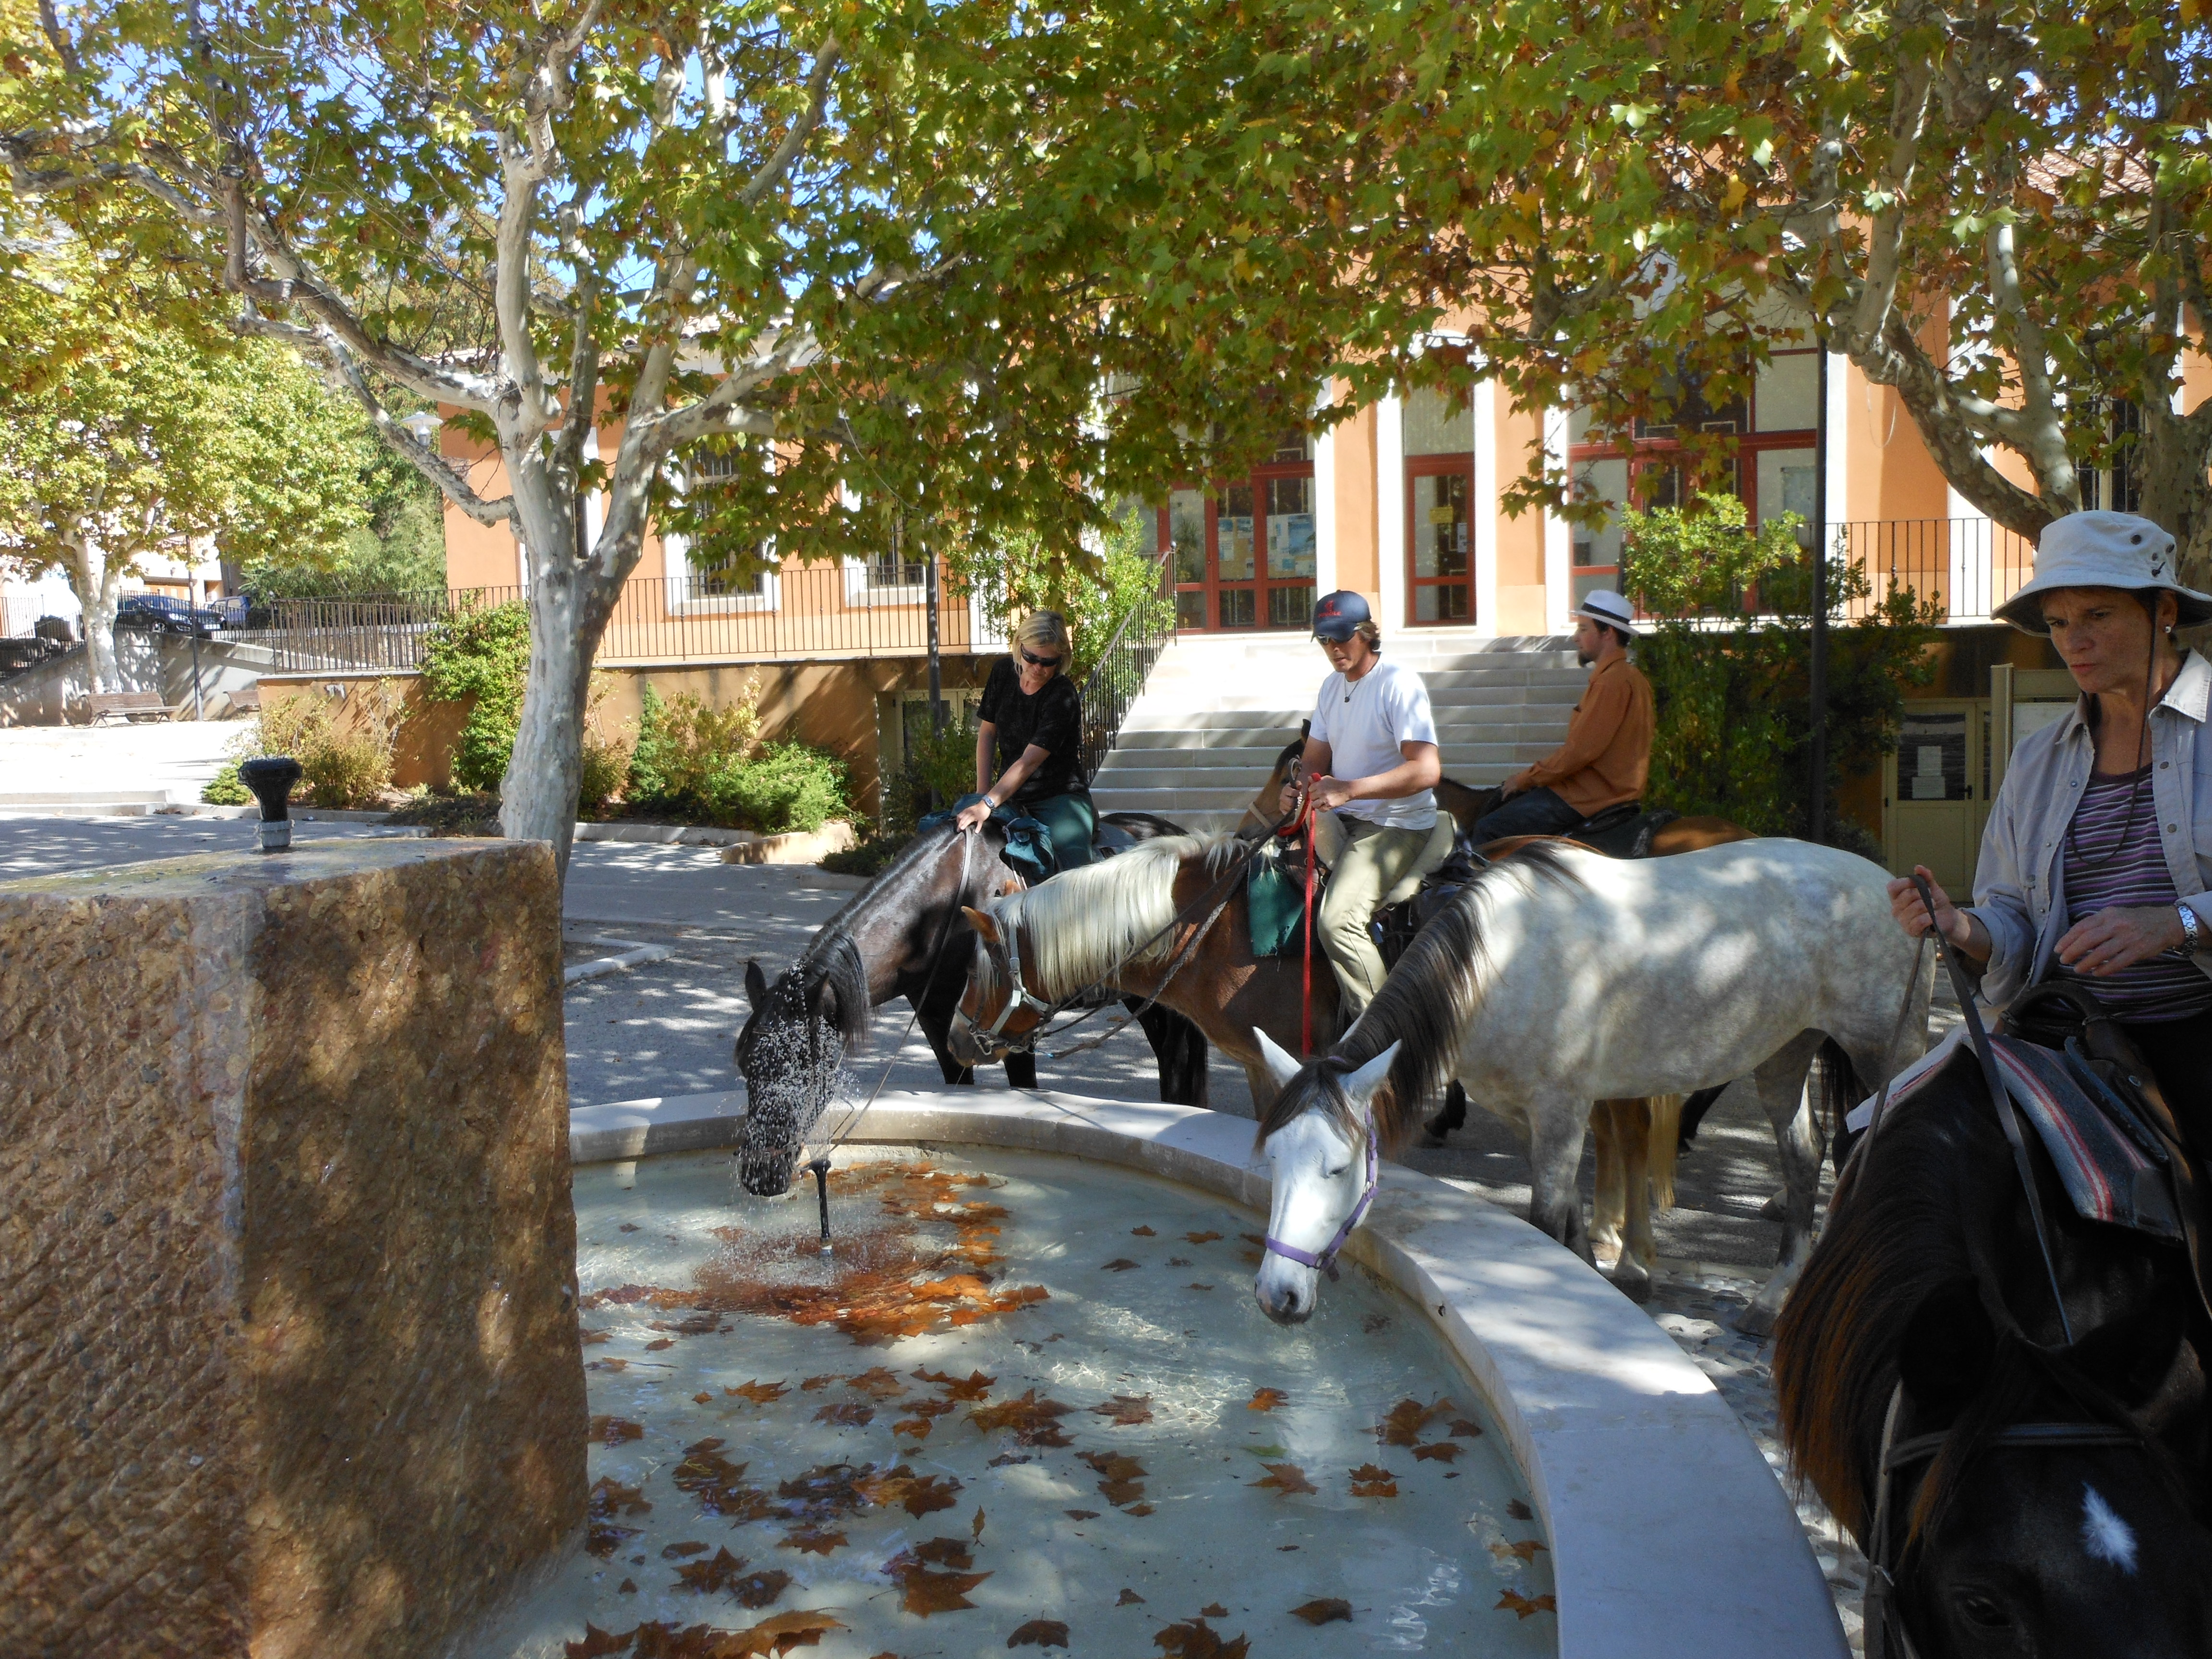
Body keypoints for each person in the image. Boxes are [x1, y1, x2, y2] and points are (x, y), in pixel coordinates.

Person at [1890, 510, 2212, 1154]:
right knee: (1887, 1146)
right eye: (2060, 623)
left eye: (2098, 615)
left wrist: (2177, 923)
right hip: (2059, 1036)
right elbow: (2015, 918)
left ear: (2165, 610)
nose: (2074, 642)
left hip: (2196, 1031)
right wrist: (1962, 927)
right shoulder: (2039, 759)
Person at [1290, 590, 1445, 1018]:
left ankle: (1385, 1038)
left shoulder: (1398, 682)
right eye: (1324, 640)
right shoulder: (1329, 687)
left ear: (1367, 634)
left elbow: (1427, 770)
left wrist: (1350, 789)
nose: (1333, 649)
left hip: (1396, 825)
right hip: (1342, 819)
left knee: (1337, 922)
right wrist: (1298, 788)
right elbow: (1314, 762)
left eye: (1342, 637)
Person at [1471, 589, 1655, 844]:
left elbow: (1580, 752)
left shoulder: (1611, 682)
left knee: (1489, 829)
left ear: (1608, 633)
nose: (1575, 638)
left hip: (1588, 796)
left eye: (1583, 629)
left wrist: (1526, 778)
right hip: (1606, 792)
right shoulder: (1631, 678)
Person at [954, 610, 1096, 871]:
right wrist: (982, 794)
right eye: (1031, 658)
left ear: (1062, 658)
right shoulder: (1002, 673)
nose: (1038, 668)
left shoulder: (1062, 695)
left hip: (1059, 799)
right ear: (1019, 646)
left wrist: (988, 803)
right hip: (1008, 794)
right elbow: (987, 733)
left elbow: (1029, 762)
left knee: (1075, 869)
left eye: (1048, 661)